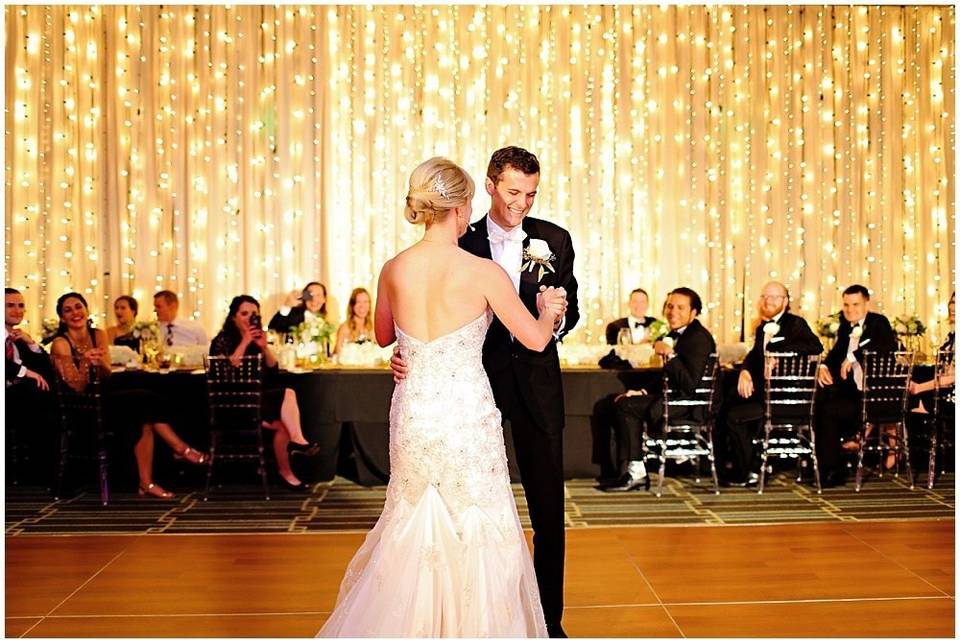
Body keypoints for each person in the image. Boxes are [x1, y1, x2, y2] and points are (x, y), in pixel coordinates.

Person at [320, 157, 568, 638]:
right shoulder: (483, 272)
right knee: (475, 518)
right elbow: (536, 340)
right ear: (459, 208)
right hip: (466, 411)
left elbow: (383, 336)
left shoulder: (393, 268)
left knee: (413, 517)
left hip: (415, 407)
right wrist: (545, 309)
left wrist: (411, 352)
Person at [388, 147, 578, 637]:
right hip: (476, 391)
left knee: (546, 515)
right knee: (473, 510)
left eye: (532, 194)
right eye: (514, 191)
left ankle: (547, 621)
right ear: (488, 187)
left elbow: (568, 310)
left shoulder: (555, 239)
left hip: (533, 389)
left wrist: (556, 311)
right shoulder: (464, 241)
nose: (522, 203)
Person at [49, 292, 208, 498]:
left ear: (86, 310)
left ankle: (147, 482)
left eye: (78, 307)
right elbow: (76, 388)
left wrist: (98, 363)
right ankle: (181, 449)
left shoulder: (98, 335)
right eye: (68, 310)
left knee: (146, 412)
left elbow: (106, 373)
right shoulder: (61, 343)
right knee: (146, 400)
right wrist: (85, 362)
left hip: (103, 396)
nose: (75, 313)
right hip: (81, 407)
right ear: (62, 318)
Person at [603, 287, 716, 492]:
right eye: (670, 306)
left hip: (690, 405)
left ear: (693, 312)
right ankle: (633, 469)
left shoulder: (698, 338)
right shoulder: (680, 333)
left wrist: (670, 355)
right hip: (676, 400)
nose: (673, 312)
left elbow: (689, 384)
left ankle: (635, 471)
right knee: (624, 400)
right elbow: (668, 377)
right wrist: (643, 392)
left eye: (680, 308)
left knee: (626, 406)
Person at [209, 295, 320, 491]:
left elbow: (273, 369)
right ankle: (299, 442)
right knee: (288, 394)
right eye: (244, 313)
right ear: (233, 317)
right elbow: (227, 370)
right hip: (231, 404)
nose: (249, 318)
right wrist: (244, 341)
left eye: (254, 314)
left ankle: (288, 469)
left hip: (256, 402)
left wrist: (263, 347)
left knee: (284, 419)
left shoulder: (256, 339)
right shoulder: (222, 339)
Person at [718, 282, 823, 486]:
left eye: (775, 297)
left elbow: (814, 346)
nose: (769, 301)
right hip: (766, 394)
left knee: (734, 416)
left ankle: (751, 469)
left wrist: (778, 352)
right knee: (727, 402)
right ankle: (739, 465)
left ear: (785, 301)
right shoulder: (762, 328)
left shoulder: (795, 324)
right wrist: (746, 371)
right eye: (765, 296)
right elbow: (754, 355)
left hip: (787, 398)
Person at [814, 284, 897, 487]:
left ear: (866, 303)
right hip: (852, 395)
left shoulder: (878, 323)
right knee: (819, 403)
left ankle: (832, 468)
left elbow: (882, 346)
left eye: (855, 304)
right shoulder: (845, 326)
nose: (850, 309)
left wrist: (852, 357)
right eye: (846, 305)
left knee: (828, 410)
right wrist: (822, 366)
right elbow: (836, 355)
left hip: (876, 398)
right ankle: (825, 466)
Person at [6, 287, 57, 483]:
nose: (17, 310)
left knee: (45, 390)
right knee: (37, 392)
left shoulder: (17, 338)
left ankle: (42, 468)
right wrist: (27, 372)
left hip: (22, 398)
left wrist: (32, 343)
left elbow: (46, 366)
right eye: (10, 305)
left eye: (21, 306)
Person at [333, 288, 373, 355]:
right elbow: (337, 355)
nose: (362, 306)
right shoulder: (345, 328)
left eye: (365, 302)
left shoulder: (373, 327)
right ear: (352, 305)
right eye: (358, 302)